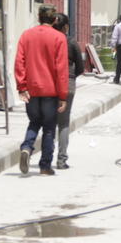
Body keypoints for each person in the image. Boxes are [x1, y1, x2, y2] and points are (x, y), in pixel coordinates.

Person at [15, 6, 68, 176]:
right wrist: (63, 95)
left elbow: (19, 62)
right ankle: (45, 165)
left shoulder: (26, 35)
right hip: (51, 91)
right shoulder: (59, 38)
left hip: (32, 89)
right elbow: (61, 69)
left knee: (34, 122)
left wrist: (21, 86)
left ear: (38, 17)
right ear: (55, 20)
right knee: (49, 128)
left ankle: (26, 147)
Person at [52, 13, 85, 169]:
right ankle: (61, 159)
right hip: (67, 84)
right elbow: (80, 67)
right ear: (66, 27)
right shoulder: (71, 42)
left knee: (48, 122)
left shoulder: (49, 41)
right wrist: (71, 77)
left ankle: (45, 157)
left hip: (49, 84)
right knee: (63, 123)